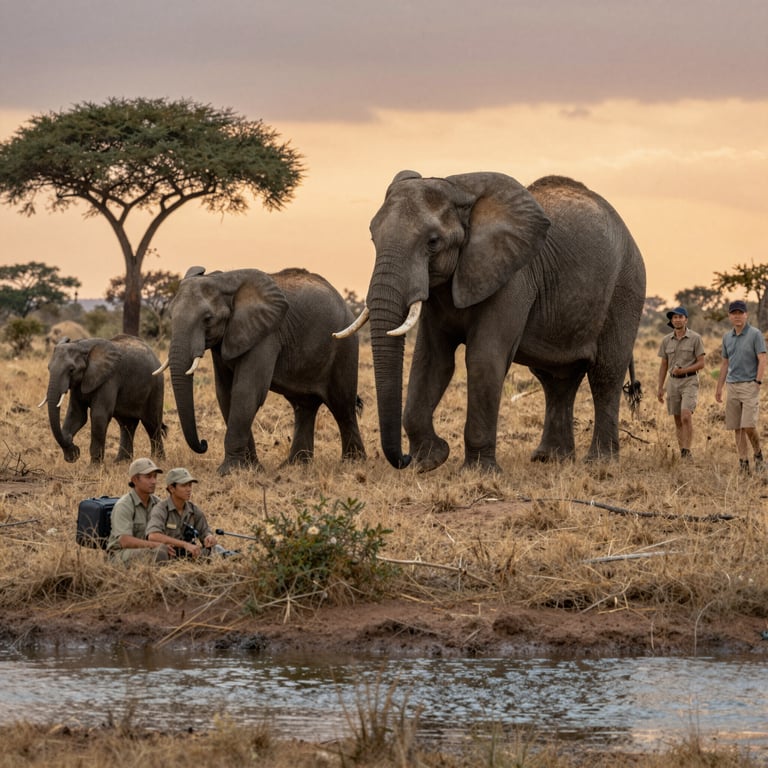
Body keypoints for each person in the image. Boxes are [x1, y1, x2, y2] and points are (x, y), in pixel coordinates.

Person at [715, 300, 767, 474]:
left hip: (749, 385)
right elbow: (724, 364)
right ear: (730, 316)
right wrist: (719, 387)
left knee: (748, 426)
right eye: (734, 313)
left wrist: (757, 382)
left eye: (740, 313)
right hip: (732, 386)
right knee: (737, 427)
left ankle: (758, 455)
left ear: (746, 314)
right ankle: (743, 463)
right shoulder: (727, 337)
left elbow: (762, 359)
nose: (737, 316)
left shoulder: (755, 334)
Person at [657, 306, 706, 459]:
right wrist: (660, 387)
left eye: (680, 317)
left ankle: (687, 449)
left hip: (690, 380)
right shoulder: (666, 340)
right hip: (672, 383)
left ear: (686, 319)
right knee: (677, 419)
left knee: (686, 416)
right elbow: (664, 365)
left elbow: (701, 363)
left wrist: (683, 371)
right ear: (671, 321)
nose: (677, 320)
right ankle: (683, 452)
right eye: (674, 317)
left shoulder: (695, 338)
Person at [107, 458, 174, 563]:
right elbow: (125, 541)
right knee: (159, 554)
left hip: (148, 549)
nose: (154, 481)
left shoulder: (157, 503)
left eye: (155, 476)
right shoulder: (124, 505)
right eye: (148, 477)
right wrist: (157, 545)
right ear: (135, 480)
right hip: (121, 554)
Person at [146, 467, 221, 558]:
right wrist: (184, 545)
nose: (189, 489)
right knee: (160, 553)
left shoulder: (194, 510)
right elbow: (153, 536)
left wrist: (209, 538)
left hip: (189, 554)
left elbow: (204, 532)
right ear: (171, 488)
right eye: (184, 485)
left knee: (217, 549)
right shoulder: (161, 509)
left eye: (190, 485)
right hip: (169, 554)